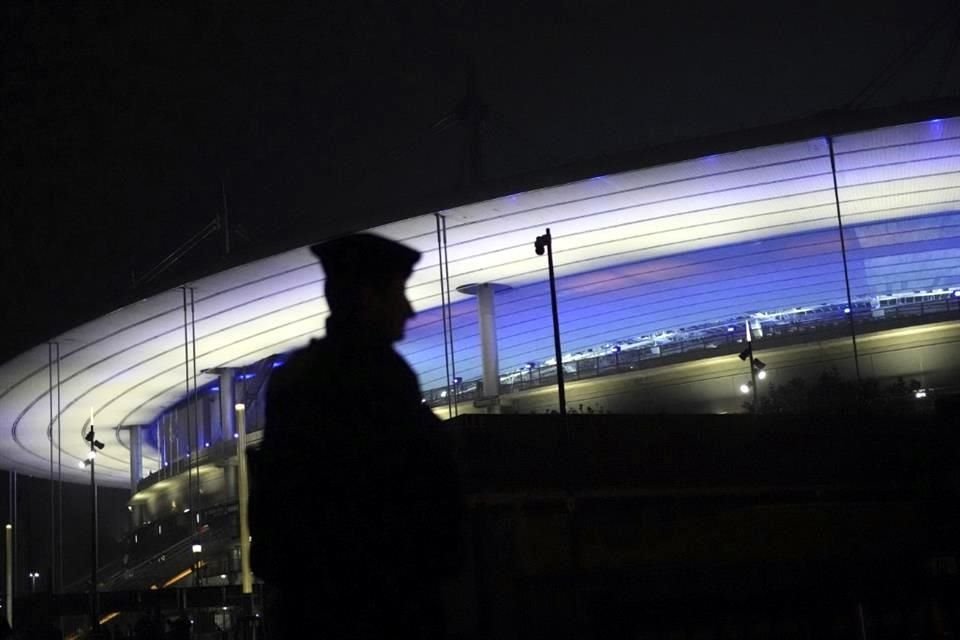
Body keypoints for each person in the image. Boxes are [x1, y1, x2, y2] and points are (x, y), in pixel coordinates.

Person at [249, 232, 463, 639]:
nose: (409, 309)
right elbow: (420, 496)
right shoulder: (382, 378)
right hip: (382, 608)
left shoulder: (294, 378)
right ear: (368, 298)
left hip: (309, 612)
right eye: (398, 293)